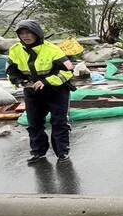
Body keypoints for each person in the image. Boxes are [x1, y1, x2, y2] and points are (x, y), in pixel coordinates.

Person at [6, 20, 74, 165]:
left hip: (56, 91)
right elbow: (11, 70)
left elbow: (68, 71)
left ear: (37, 33)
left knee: (59, 123)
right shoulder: (15, 49)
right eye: (22, 33)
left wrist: (46, 81)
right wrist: (19, 81)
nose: (25, 36)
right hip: (33, 92)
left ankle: (62, 153)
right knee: (34, 123)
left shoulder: (52, 49)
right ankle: (38, 152)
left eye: (29, 32)